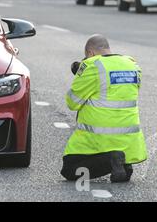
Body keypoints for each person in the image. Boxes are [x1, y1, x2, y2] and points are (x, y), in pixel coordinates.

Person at [61, 35, 147, 183]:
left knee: (69, 168)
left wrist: (80, 75)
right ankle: (123, 165)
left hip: (99, 140)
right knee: (117, 152)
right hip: (129, 143)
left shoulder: (93, 66)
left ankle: (111, 160)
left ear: (90, 53)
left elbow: (72, 102)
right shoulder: (132, 65)